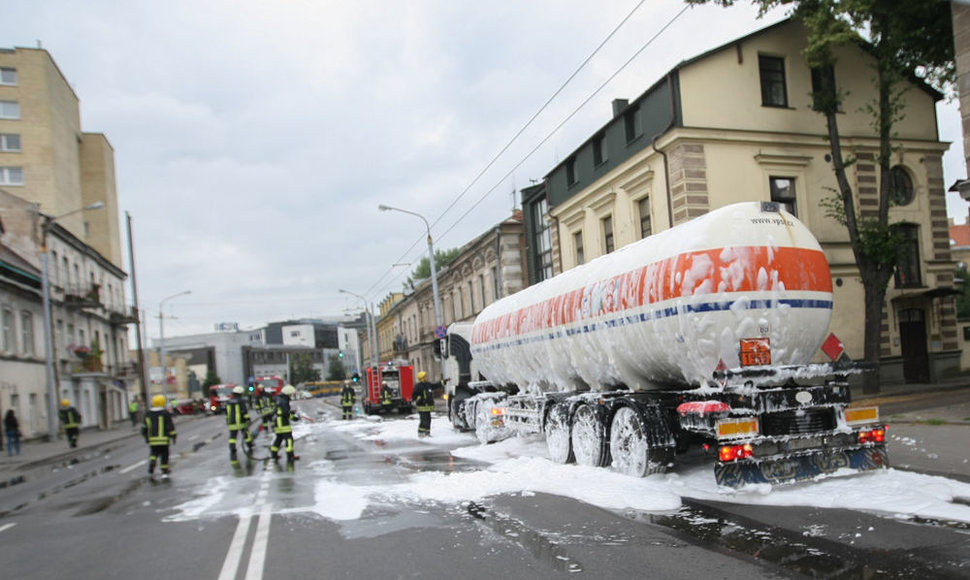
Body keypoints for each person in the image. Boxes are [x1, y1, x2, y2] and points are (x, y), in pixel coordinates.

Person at [143, 394, 176, 479]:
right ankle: (164, 470)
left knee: (154, 452)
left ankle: (152, 461)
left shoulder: (148, 414)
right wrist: (173, 436)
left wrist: (146, 438)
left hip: (152, 440)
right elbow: (170, 426)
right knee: (164, 454)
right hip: (163, 439)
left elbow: (144, 428)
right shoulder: (165, 413)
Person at [270, 385, 300, 462]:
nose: (291, 396)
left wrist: (291, 412)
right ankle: (290, 456)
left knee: (279, 439)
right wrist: (294, 418)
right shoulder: (284, 401)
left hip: (277, 422)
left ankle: (274, 454)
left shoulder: (279, 399)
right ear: (288, 393)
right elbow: (285, 413)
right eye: (291, 394)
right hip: (283, 423)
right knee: (289, 439)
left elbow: (281, 410)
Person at [226, 385, 254, 462]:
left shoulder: (229, 401)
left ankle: (232, 449)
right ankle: (249, 446)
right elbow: (244, 411)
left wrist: (228, 421)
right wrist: (248, 419)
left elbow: (227, 413)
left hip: (231, 423)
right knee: (246, 435)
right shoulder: (241, 401)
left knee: (232, 438)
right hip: (241, 422)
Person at [412, 371, 435, 437]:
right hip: (422, 407)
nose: (426, 377)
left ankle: (427, 433)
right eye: (425, 377)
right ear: (422, 378)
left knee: (428, 420)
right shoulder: (418, 386)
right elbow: (414, 396)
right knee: (424, 420)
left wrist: (444, 381)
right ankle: (421, 432)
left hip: (428, 407)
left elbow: (435, 385)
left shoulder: (427, 384)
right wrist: (420, 399)